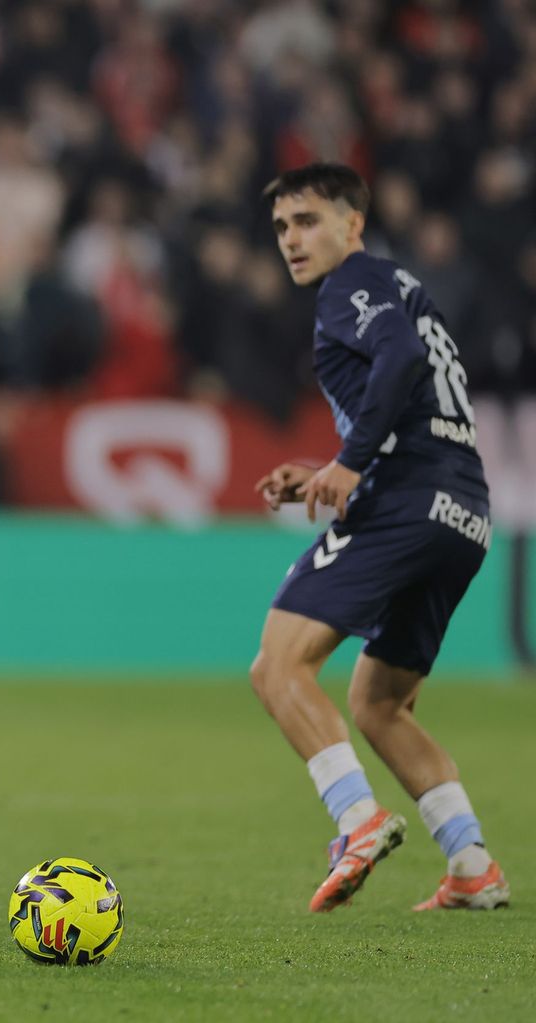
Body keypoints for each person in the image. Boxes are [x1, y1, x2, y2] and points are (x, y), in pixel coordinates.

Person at [250, 162, 508, 913]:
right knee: (379, 702)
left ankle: (357, 820)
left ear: (353, 223)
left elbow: (400, 356)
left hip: (406, 498)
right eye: (281, 227)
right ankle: (471, 863)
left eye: (307, 221)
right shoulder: (399, 286)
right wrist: (328, 469)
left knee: (278, 666)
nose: (291, 240)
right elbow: (412, 388)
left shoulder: (352, 283)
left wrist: (352, 462)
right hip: (463, 509)